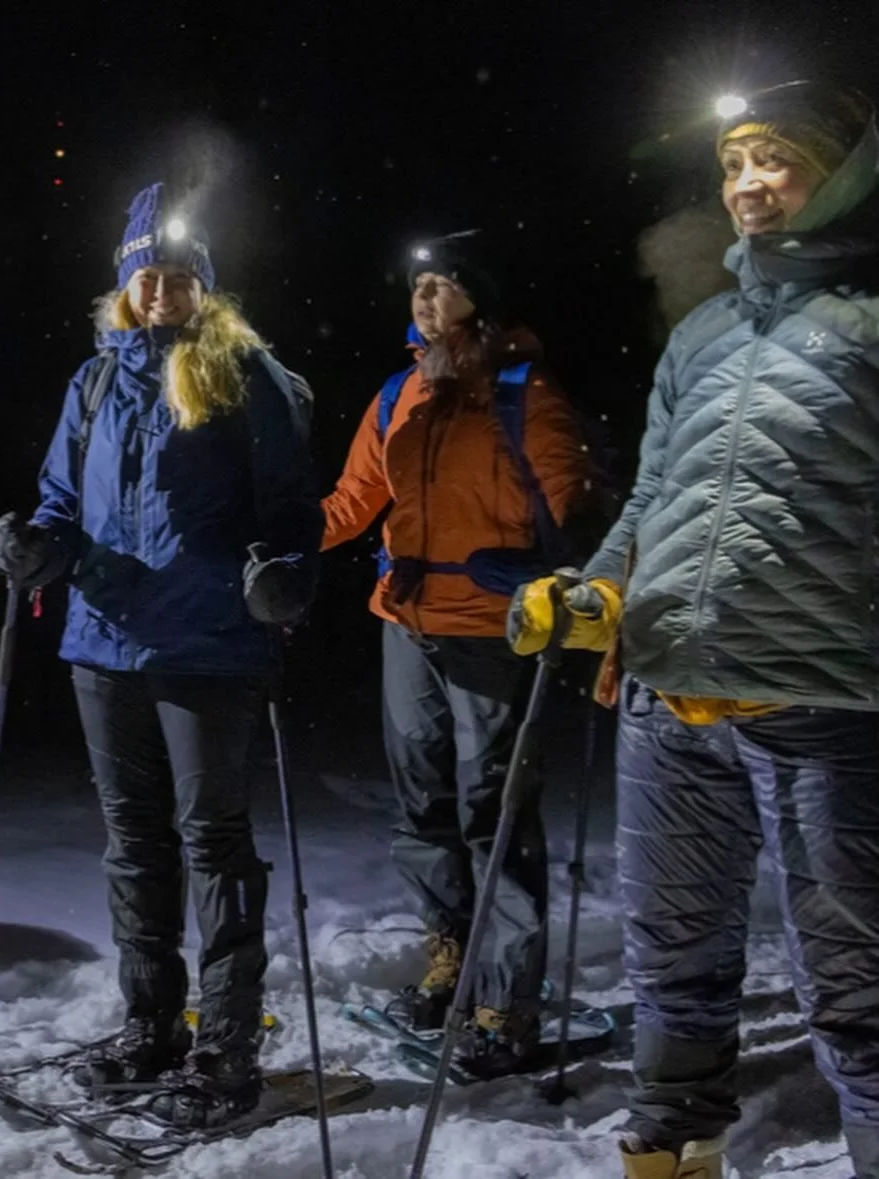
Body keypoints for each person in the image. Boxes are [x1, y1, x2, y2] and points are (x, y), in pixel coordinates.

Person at [508, 81, 879, 1179]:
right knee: (671, 958)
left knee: (857, 980)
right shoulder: (705, 331)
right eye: (732, 165)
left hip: (822, 698)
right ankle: (675, 1146)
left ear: (846, 174)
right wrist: (598, 593)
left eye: (776, 160)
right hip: (669, 697)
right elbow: (652, 497)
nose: (747, 185)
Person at [0, 181, 323, 1128]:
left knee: (211, 841)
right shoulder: (93, 380)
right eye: (147, 277)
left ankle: (226, 1043)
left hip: (210, 644)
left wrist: (284, 575)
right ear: (125, 285)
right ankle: (151, 1024)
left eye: (178, 277)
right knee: (133, 842)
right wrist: (33, 545)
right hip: (102, 644)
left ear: (203, 285)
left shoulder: (246, 376)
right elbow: (61, 499)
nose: (162, 292)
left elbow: (291, 508)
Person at [322, 230, 588, 1077]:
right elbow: (353, 498)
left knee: (493, 811)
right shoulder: (399, 390)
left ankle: (505, 1002)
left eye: (442, 284)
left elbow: (571, 505)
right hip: (405, 620)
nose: (425, 298)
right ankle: (453, 959)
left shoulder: (520, 390)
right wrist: (276, 548)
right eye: (417, 285)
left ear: (481, 296)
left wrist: (556, 575)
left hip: (490, 626)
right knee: (422, 806)